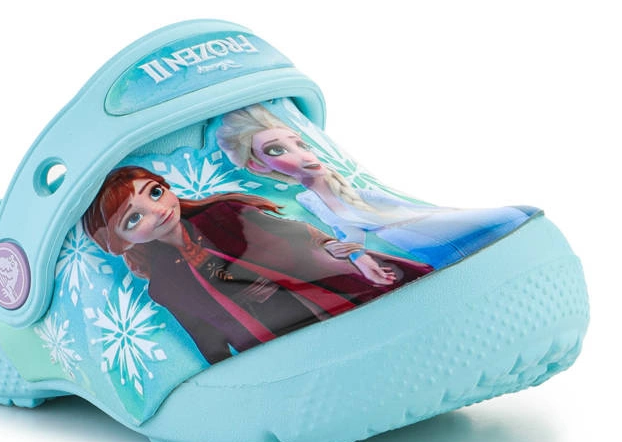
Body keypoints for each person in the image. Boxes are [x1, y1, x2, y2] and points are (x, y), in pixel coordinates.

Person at [83, 166, 433, 364]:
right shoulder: (164, 284)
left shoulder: (225, 214)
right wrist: (224, 371)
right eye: (133, 219)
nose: (158, 210)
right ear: (122, 242)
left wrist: (356, 255)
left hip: (322, 292)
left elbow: (298, 234)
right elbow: (203, 332)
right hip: (269, 338)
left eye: (155, 192)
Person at [215, 103, 536, 268]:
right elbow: (347, 228)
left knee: (513, 221)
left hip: (412, 228)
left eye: (300, 143)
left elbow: (404, 209)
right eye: (276, 151)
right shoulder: (308, 201)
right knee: (510, 223)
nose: (303, 155)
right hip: (403, 236)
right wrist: (354, 254)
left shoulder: (356, 193)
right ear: (258, 166)